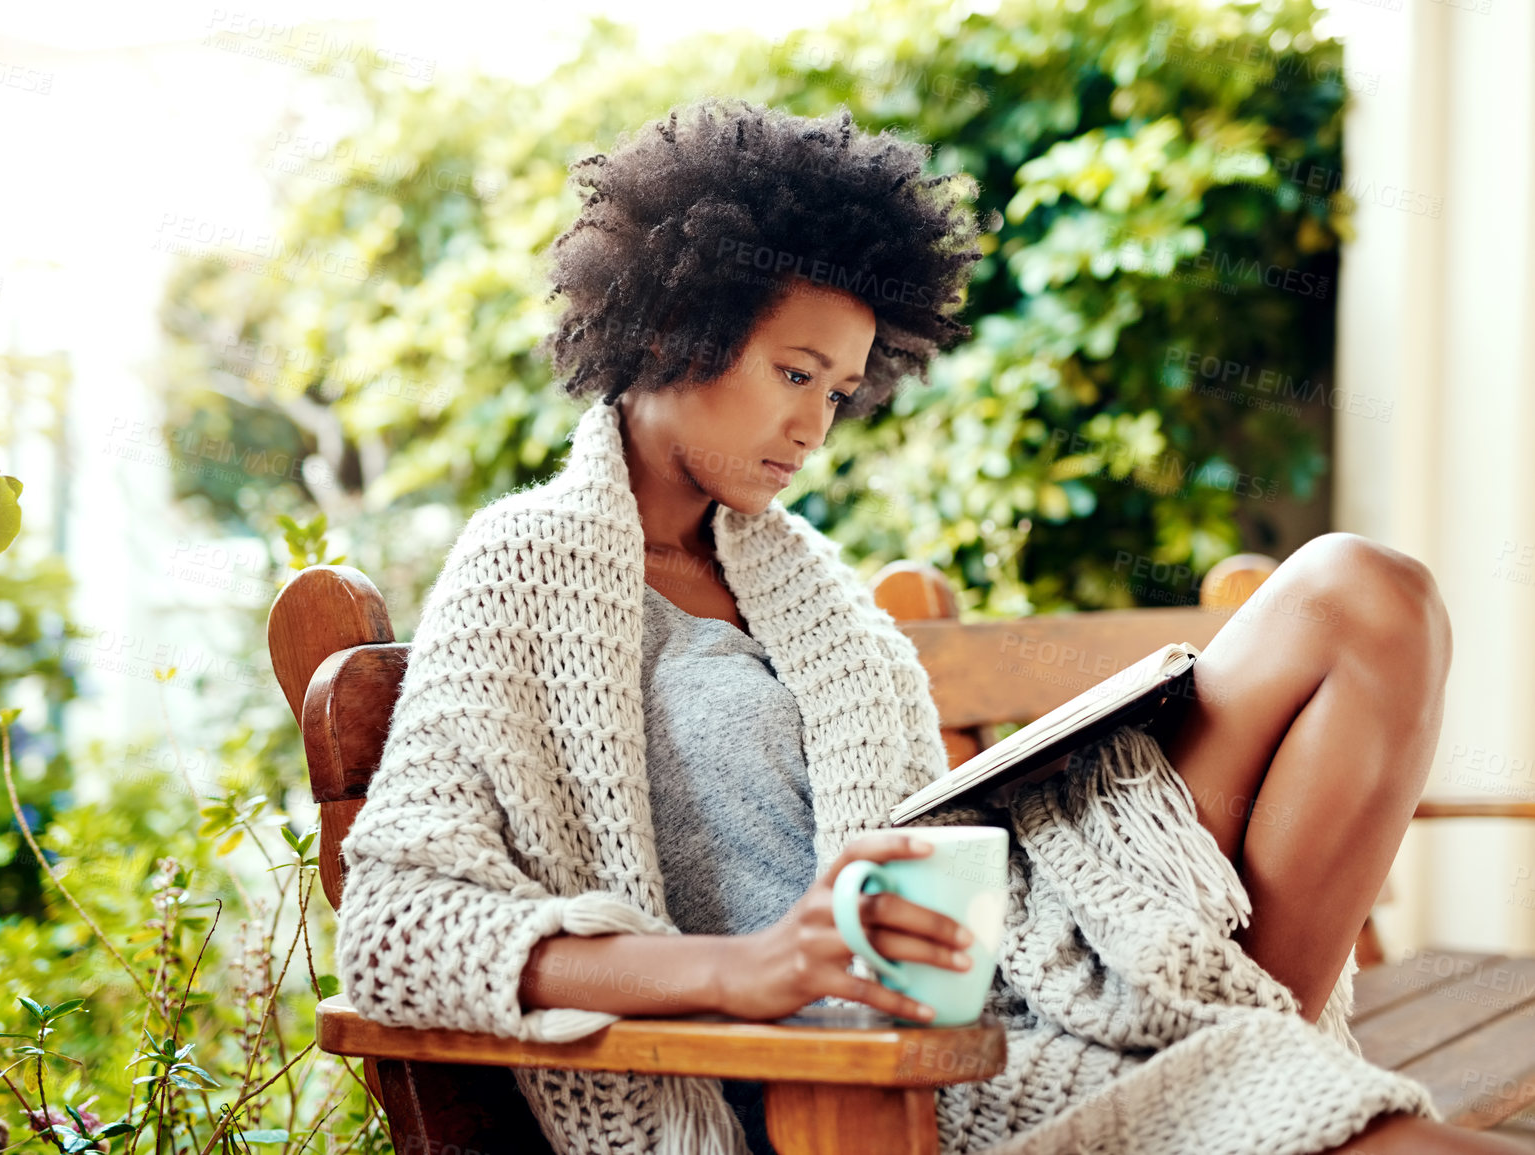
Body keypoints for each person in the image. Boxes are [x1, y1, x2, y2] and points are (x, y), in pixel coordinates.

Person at [337, 98, 1522, 1154]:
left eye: (841, 392)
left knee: (1367, 595)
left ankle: (1257, 1077)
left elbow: (917, 830)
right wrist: (743, 972)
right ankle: (1259, 1096)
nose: (817, 427)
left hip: (1029, 960)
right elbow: (400, 921)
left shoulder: (806, 587)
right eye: (795, 373)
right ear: (669, 329)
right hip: (870, 1071)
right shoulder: (525, 567)